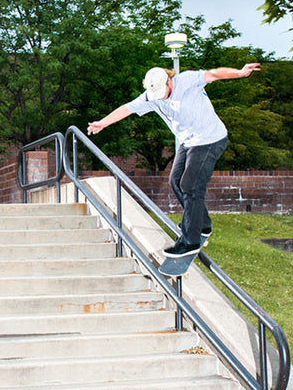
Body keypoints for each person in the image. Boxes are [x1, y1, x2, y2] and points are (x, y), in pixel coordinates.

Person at [87, 63, 260, 259]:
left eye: (163, 92)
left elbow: (213, 74)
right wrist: (102, 123)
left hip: (210, 139)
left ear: (169, 81)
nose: (160, 97)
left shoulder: (187, 81)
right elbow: (127, 109)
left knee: (191, 185)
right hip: (188, 142)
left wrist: (239, 72)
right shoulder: (150, 96)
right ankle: (201, 224)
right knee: (175, 181)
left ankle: (190, 241)